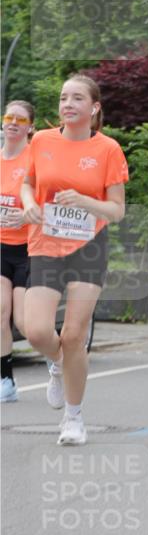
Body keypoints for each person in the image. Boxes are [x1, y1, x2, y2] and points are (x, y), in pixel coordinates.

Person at [21, 76, 128, 445]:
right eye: (64, 97)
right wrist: (30, 203)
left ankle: (73, 417)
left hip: (88, 247)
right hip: (45, 243)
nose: (68, 103)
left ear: (94, 107)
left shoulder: (108, 149)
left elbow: (117, 210)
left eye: (77, 98)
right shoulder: (41, 141)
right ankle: (57, 363)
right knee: (37, 331)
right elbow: (27, 183)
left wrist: (85, 201)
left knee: (73, 334)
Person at [0, 100, 35, 403]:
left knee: (25, 323)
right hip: (1, 247)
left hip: (28, 249)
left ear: (30, 127)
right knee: (0, 312)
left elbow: (48, 204)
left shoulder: (34, 160)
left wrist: (25, 216)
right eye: (9, 117)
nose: (13, 123)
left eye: (20, 119)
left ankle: (56, 358)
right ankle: (6, 380)